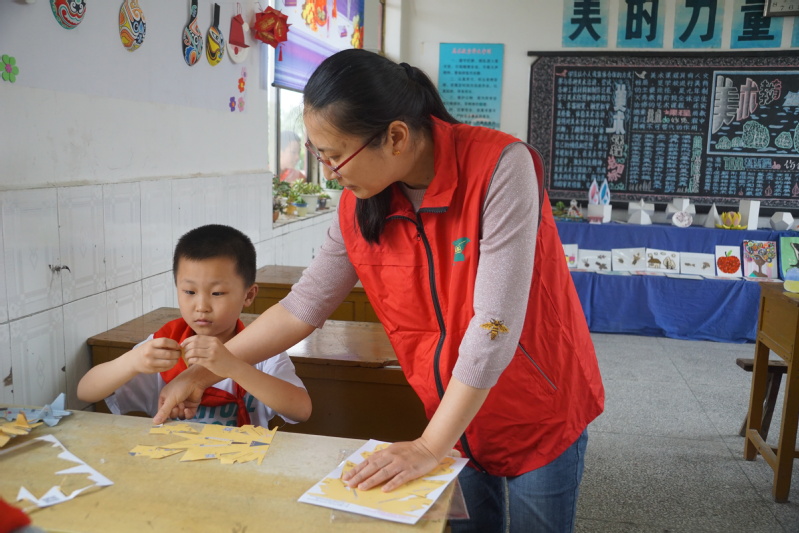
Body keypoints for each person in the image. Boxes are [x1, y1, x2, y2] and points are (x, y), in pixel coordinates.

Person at [155, 49, 604, 532]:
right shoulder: (360, 205)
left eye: (334, 156)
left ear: (395, 137)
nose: (329, 172)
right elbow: (303, 306)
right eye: (319, 155)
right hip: (451, 410)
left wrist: (429, 446)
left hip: (534, 405)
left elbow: (494, 326)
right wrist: (202, 373)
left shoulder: (500, 168)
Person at [77, 224, 311, 427]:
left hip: (246, 461)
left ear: (248, 295)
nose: (201, 306)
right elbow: (85, 391)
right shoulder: (165, 346)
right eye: (189, 292)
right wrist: (132, 361)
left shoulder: (263, 350)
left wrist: (234, 367)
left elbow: (301, 410)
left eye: (217, 293)